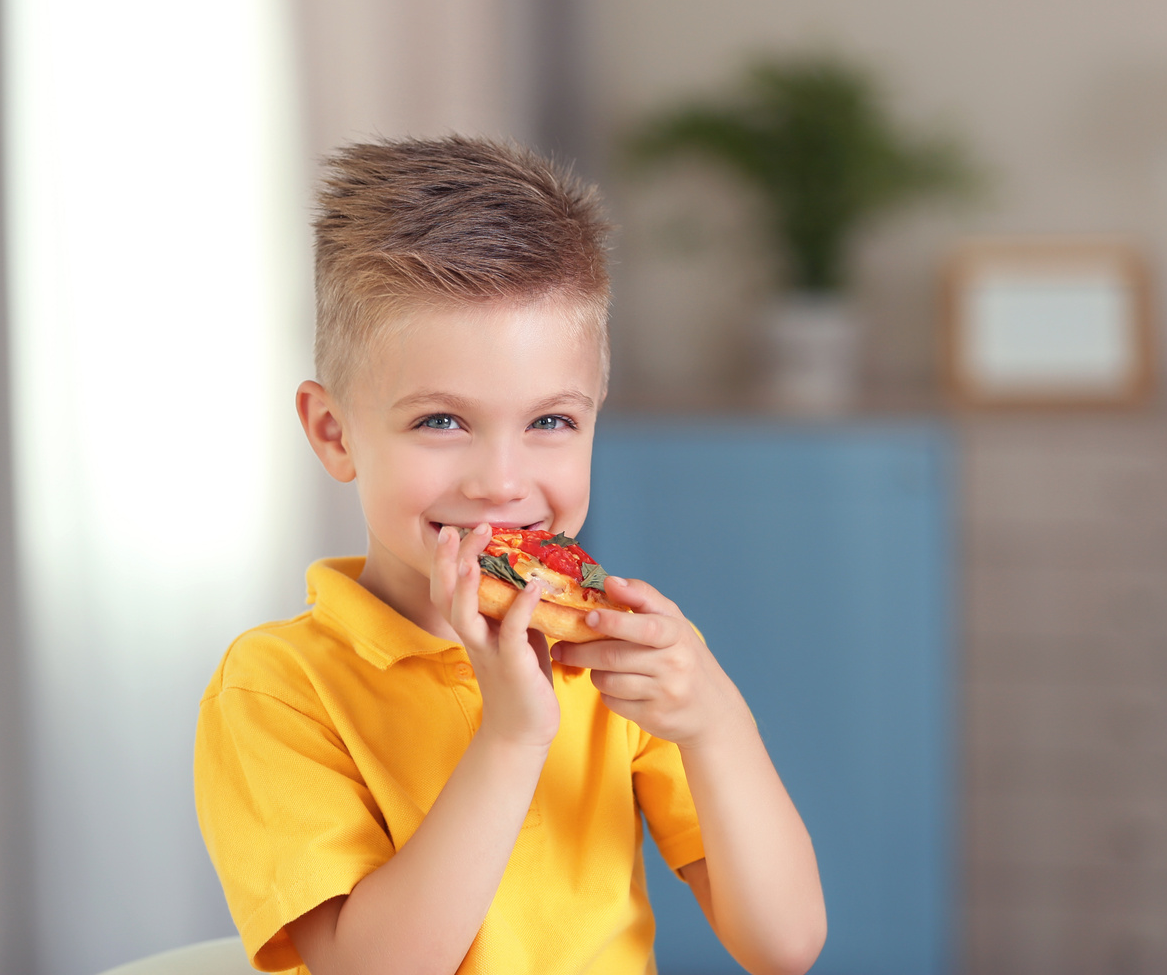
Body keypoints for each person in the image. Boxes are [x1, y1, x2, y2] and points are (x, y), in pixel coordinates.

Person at [194, 137, 825, 974]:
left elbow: (783, 946)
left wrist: (715, 721)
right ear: (334, 432)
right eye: (441, 422)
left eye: (551, 422)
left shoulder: (613, 658)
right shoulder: (278, 686)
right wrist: (513, 737)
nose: (501, 482)